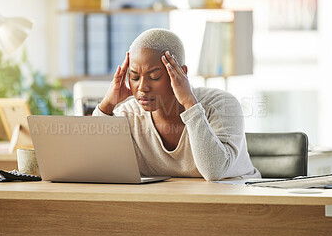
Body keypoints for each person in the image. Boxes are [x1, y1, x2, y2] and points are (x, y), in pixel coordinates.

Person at [93, 28, 260, 181]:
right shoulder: (129, 113)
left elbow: (213, 171)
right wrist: (107, 105)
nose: (142, 87)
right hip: (169, 202)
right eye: (135, 77)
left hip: (239, 199)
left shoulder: (222, 105)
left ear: (182, 73)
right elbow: (95, 162)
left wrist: (190, 103)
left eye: (155, 77)